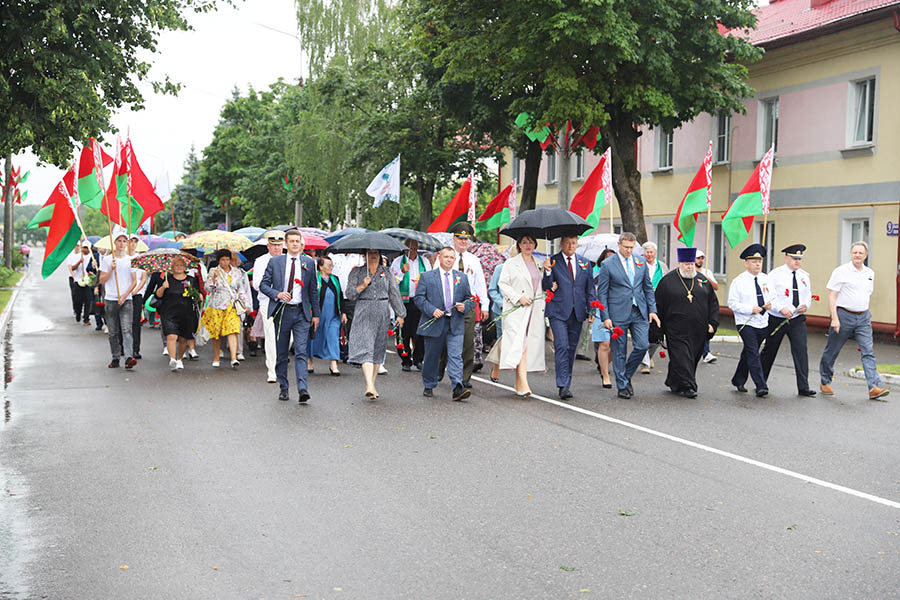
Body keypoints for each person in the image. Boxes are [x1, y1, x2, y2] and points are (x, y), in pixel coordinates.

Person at [819, 241, 889, 400]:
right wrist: (834, 318)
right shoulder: (841, 271)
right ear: (851, 254)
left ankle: (874, 386)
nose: (857, 255)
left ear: (866, 255)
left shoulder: (870, 273)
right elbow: (832, 296)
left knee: (868, 351)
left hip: (864, 317)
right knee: (832, 350)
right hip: (844, 315)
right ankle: (825, 380)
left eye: (860, 253)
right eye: (855, 252)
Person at [595, 232, 660, 399]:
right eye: (626, 247)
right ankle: (623, 386)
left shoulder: (640, 262)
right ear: (619, 245)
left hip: (639, 311)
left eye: (632, 248)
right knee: (619, 351)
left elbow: (647, 288)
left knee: (642, 345)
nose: (629, 251)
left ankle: (625, 376)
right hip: (617, 313)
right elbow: (602, 293)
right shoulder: (608, 265)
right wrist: (605, 316)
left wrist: (652, 310)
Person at [259, 230, 319, 403]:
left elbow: (313, 289)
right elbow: (263, 285)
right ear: (286, 243)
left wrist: (316, 314)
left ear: (301, 244)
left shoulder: (308, 262)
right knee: (282, 351)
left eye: (297, 241)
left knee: (301, 351)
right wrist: (277, 294)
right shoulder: (275, 262)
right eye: (291, 241)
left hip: (301, 312)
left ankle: (302, 389)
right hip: (282, 311)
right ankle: (284, 387)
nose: (294, 244)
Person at [654, 248, 719, 397]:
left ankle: (674, 381)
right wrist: (659, 330)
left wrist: (712, 323)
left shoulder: (702, 280)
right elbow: (658, 306)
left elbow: (713, 304)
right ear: (679, 263)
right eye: (686, 264)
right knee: (681, 356)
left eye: (691, 264)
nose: (689, 267)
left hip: (698, 329)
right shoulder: (668, 281)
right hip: (676, 329)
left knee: (692, 358)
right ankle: (689, 386)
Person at [414, 246, 475, 401]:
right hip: (435, 321)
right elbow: (419, 298)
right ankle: (429, 383)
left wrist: (465, 306)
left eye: (451, 257)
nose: (449, 259)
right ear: (439, 258)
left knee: (455, 356)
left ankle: (457, 387)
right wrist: (432, 310)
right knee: (432, 356)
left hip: (455, 322)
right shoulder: (427, 277)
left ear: (454, 260)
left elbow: (470, 299)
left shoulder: (461, 277)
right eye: (446, 256)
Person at [345, 249, 406, 399]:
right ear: (365, 256)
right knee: (366, 346)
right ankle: (369, 384)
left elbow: (394, 293)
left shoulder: (387, 272)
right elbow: (349, 294)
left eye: (376, 253)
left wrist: (400, 314)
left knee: (378, 348)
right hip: (364, 311)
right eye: (370, 253)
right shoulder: (357, 272)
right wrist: (362, 285)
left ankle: (371, 385)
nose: (373, 256)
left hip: (382, 311)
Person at [541, 234, 596, 399]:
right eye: (568, 243)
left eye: (574, 243)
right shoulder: (553, 260)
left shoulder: (584, 263)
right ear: (562, 244)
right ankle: (562, 384)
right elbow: (546, 287)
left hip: (577, 311)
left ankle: (567, 382)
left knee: (571, 348)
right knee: (562, 346)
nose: (571, 246)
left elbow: (590, 289)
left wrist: (591, 310)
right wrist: (548, 271)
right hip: (558, 311)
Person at [760, 244, 817, 397]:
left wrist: (806, 305)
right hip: (777, 318)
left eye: (800, 259)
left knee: (801, 351)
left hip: (796, 319)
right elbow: (769, 297)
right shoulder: (775, 274)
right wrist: (780, 308)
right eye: (794, 258)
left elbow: (807, 295)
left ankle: (803, 386)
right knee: (770, 350)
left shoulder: (804, 275)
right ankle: (761, 382)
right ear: (786, 258)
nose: (797, 262)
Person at [493, 235, 546, 397]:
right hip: (517, 309)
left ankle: (518, 381)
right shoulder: (511, 263)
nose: (528, 245)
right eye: (524, 242)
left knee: (527, 344)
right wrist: (518, 297)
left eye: (531, 242)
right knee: (520, 344)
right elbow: (502, 284)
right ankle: (524, 384)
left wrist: (550, 279)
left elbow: (541, 286)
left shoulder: (539, 264)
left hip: (534, 310)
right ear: (519, 245)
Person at [441, 222, 489, 388]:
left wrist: (484, 306)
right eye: (460, 238)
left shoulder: (474, 260)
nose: (463, 242)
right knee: (446, 343)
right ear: (453, 238)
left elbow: (480, 284)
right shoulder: (445, 256)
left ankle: (464, 377)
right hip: (448, 305)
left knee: (468, 343)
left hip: (468, 305)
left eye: (466, 239)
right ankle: (439, 369)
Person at [727, 243, 774, 397]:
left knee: (749, 352)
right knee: (753, 352)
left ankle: (738, 379)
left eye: (759, 261)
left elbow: (773, 297)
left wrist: (770, 305)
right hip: (745, 322)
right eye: (754, 261)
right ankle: (761, 385)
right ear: (746, 263)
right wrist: (750, 308)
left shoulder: (766, 279)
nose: (758, 264)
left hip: (762, 321)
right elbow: (732, 303)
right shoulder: (738, 281)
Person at [202, 248, 251, 370]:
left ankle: (234, 358)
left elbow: (240, 289)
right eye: (223, 259)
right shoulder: (214, 271)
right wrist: (213, 278)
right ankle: (216, 357)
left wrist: (245, 303)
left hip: (232, 304)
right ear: (219, 260)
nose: (225, 262)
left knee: (232, 330)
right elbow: (207, 288)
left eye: (227, 259)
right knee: (216, 333)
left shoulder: (237, 272)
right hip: (217, 305)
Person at [153, 255, 201, 371]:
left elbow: (197, 295)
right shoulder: (166, 279)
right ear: (172, 267)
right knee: (171, 336)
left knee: (183, 338)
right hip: (169, 312)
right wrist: (163, 288)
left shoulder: (191, 280)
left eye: (181, 265)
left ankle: (179, 358)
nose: (179, 267)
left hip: (187, 313)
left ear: (185, 267)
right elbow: (157, 295)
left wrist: (198, 296)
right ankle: (172, 359)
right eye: (176, 265)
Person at [98, 228, 138, 370]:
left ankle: (128, 357)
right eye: (119, 241)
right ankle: (115, 357)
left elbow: (134, 281)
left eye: (124, 241)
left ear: (127, 243)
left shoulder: (131, 260)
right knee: (113, 331)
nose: (121, 244)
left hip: (126, 300)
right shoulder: (108, 260)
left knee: (126, 329)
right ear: (114, 243)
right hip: (110, 299)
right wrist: (111, 270)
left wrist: (125, 295)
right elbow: (102, 280)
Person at [391, 239, 430, 372]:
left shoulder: (424, 262)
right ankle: (405, 360)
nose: (412, 251)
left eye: (414, 248)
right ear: (404, 249)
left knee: (419, 331)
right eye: (409, 248)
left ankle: (418, 358)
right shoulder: (397, 262)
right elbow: (393, 283)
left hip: (419, 300)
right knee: (403, 332)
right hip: (403, 301)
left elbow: (430, 277)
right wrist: (402, 272)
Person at [252, 230, 285, 383]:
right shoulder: (261, 261)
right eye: (273, 245)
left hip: (288, 304)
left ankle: (280, 364)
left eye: (279, 245)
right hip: (268, 303)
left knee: (288, 338)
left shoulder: (289, 260)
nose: (277, 248)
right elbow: (258, 284)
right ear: (268, 246)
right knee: (271, 337)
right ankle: (272, 371)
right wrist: (276, 293)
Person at [308, 256, 345, 376]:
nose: (331, 267)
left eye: (332, 265)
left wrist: (343, 312)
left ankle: (333, 364)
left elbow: (340, 296)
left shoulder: (335, 279)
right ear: (320, 266)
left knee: (333, 336)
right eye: (328, 265)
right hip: (317, 314)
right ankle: (310, 361)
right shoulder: (314, 279)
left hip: (333, 314)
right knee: (313, 337)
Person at [640, 241, 667, 374]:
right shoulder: (639, 264)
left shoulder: (662, 266)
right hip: (642, 302)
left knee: (657, 335)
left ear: (655, 253)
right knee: (642, 331)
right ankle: (644, 363)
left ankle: (649, 356)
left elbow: (668, 282)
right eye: (647, 252)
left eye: (651, 252)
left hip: (659, 303)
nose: (649, 254)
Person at [591, 249, 617, 388]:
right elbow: (591, 292)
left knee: (614, 344)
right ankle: (605, 375)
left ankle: (604, 364)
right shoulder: (595, 274)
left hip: (616, 310)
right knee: (605, 343)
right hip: (600, 310)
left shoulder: (619, 274)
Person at [695, 250, 719, 363]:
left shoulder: (707, 272)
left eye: (702, 258)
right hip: (693, 303)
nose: (700, 260)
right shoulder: (690, 271)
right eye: (698, 258)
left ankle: (706, 353)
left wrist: (706, 278)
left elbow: (716, 287)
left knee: (707, 326)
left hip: (706, 303)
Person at [126, 234, 148, 359]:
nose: (133, 244)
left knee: (135, 322)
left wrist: (135, 291)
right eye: (131, 241)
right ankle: (123, 347)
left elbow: (143, 278)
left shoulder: (141, 259)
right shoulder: (122, 258)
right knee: (123, 322)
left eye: (135, 241)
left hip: (136, 294)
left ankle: (135, 349)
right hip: (124, 294)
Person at [67, 241, 94, 326]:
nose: (86, 249)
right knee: (78, 301)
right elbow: (73, 268)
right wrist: (79, 262)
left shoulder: (92, 257)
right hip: (78, 281)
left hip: (88, 282)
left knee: (88, 301)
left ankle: (86, 319)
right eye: (84, 247)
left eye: (87, 248)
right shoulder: (78, 256)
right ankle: (78, 312)